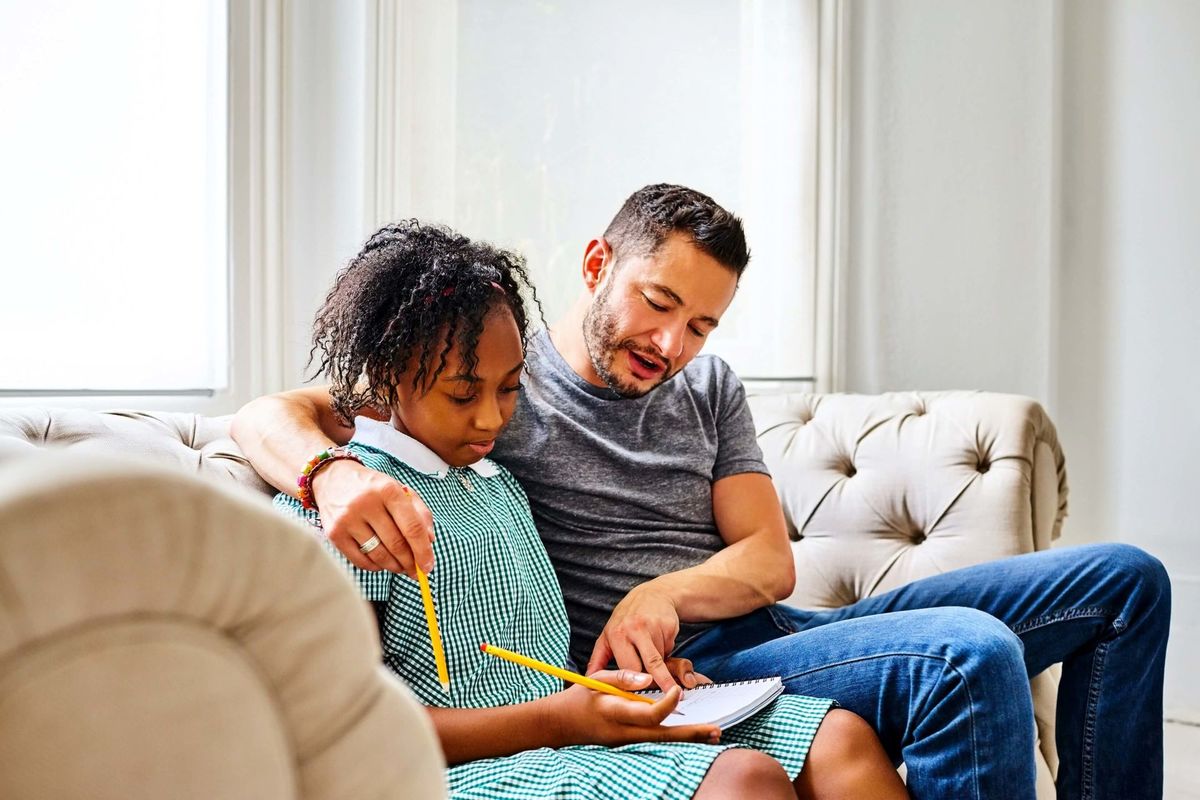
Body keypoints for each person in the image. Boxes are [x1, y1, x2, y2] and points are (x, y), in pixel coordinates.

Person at [235, 185, 1171, 800]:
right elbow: (292, 414)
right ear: (599, 265)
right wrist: (334, 473)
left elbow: (768, 561)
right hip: (678, 668)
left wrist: (661, 591)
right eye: (657, 304)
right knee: (967, 655)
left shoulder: (698, 388)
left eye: (701, 325)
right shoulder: (501, 396)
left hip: (770, 628)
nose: (672, 345)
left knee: (1129, 582)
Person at [271, 219, 910, 800]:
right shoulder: (346, 510)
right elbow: (338, 729)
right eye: (463, 394)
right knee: (744, 778)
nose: (492, 417)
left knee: (842, 740)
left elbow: (545, 663)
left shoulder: (496, 487)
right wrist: (564, 719)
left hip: (570, 728)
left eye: (509, 389)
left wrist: (629, 687)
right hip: (470, 767)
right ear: (384, 379)